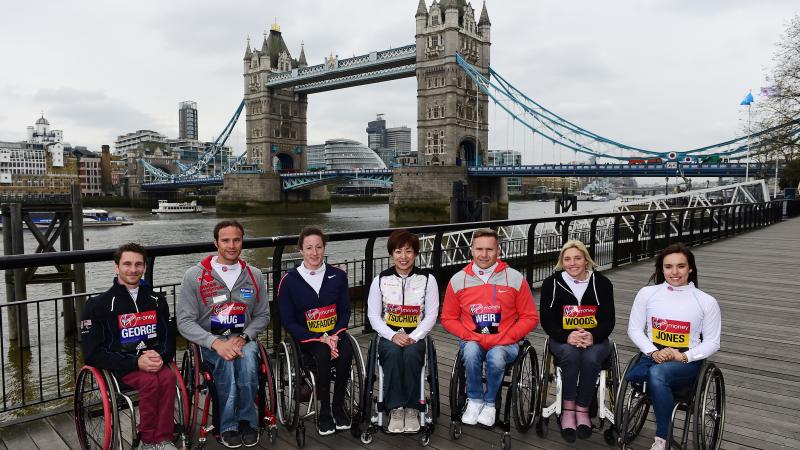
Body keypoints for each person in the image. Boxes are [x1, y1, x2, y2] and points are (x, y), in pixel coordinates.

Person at [177, 220, 270, 449]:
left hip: (242, 339)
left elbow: (263, 315)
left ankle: (248, 420)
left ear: (242, 242)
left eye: (236, 240)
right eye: (225, 240)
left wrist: (245, 337)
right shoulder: (194, 276)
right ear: (215, 243)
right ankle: (227, 425)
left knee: (248, 362)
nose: (231, 245)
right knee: (226, 365)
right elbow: (185, 321)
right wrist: (215, 343)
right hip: (210, 342)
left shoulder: (255, 275)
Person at [80, 243, 177, 450]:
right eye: (127, 264)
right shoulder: (97, 305)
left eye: (138, 264)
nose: (133, 269)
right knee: (151, 382)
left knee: (168, 377)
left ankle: (164, 437)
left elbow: (169, 336)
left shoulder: (157, 300)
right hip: (121, 367)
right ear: (116, 267)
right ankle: (148, 440)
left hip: (154, 360)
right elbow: (91, 353)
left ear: (144, 268)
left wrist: (162, 356)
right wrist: (135, 362)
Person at [626, 243, 721, 450]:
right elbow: (634, 329)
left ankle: (662, 439)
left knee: (658, 374)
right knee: (657, 370)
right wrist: (654, 351)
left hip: (686, 360)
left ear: (690, 269)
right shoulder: (647, 294)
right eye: (668, 267)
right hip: (653, 352)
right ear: (661, 269)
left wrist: (682, 357)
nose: (674, 272)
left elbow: (713, 342)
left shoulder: (706, 302)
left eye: (681, 266)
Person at [441, 228, 539, 427]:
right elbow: (448, 318)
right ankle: (475, 399)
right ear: (471, 250)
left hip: (505, 342)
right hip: (473, 340)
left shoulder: (514, 278)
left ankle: (490, 403)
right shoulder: (458, 280)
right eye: (479, 249)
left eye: (489, 249)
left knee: (496, 357)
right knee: (468, 352)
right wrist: (467, 333)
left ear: (498, 251)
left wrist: (509, 336)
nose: (484, 255)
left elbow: (530, 317)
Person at [277, 226, 354, 436]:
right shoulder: (289, 280)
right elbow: (288, 320)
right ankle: (325, 412)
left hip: (335, 334)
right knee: (322, 355)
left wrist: (335, 336)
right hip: (308, 338)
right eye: (309, 248)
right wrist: (318, 338)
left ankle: (338, 407)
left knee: (347, 353)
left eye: (319, 247)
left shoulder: (337, 276)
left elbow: (345, 311)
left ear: (324, 248)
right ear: (301, 250)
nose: (314, 253)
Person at [539, 240, 615, 442]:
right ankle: (567, 409)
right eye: (567, 259)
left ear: (586, 260)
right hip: (563, 337)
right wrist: (567, 336)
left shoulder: (602, 283)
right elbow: (546, 320)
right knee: (571, 355)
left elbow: (609, 320)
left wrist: (593, 336)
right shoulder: (551, 284)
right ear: (561, 262)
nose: (573, 263)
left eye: (578, 258)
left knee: (591, 359)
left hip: (595, 338)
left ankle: (583, 409)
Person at [366, 229, 439, 433]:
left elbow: (431, 315)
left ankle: (413, 408)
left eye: (408, 251)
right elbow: (373, 316)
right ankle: (396, 408)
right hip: (390, 334)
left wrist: (414, 337)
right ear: (391, 254)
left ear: (415, 254)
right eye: (398, 251)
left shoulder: (427, 279)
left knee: (412, 354)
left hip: (416, 334)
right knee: (391, 353)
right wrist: (392, 335)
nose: (403, 257)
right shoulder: (380, 280)